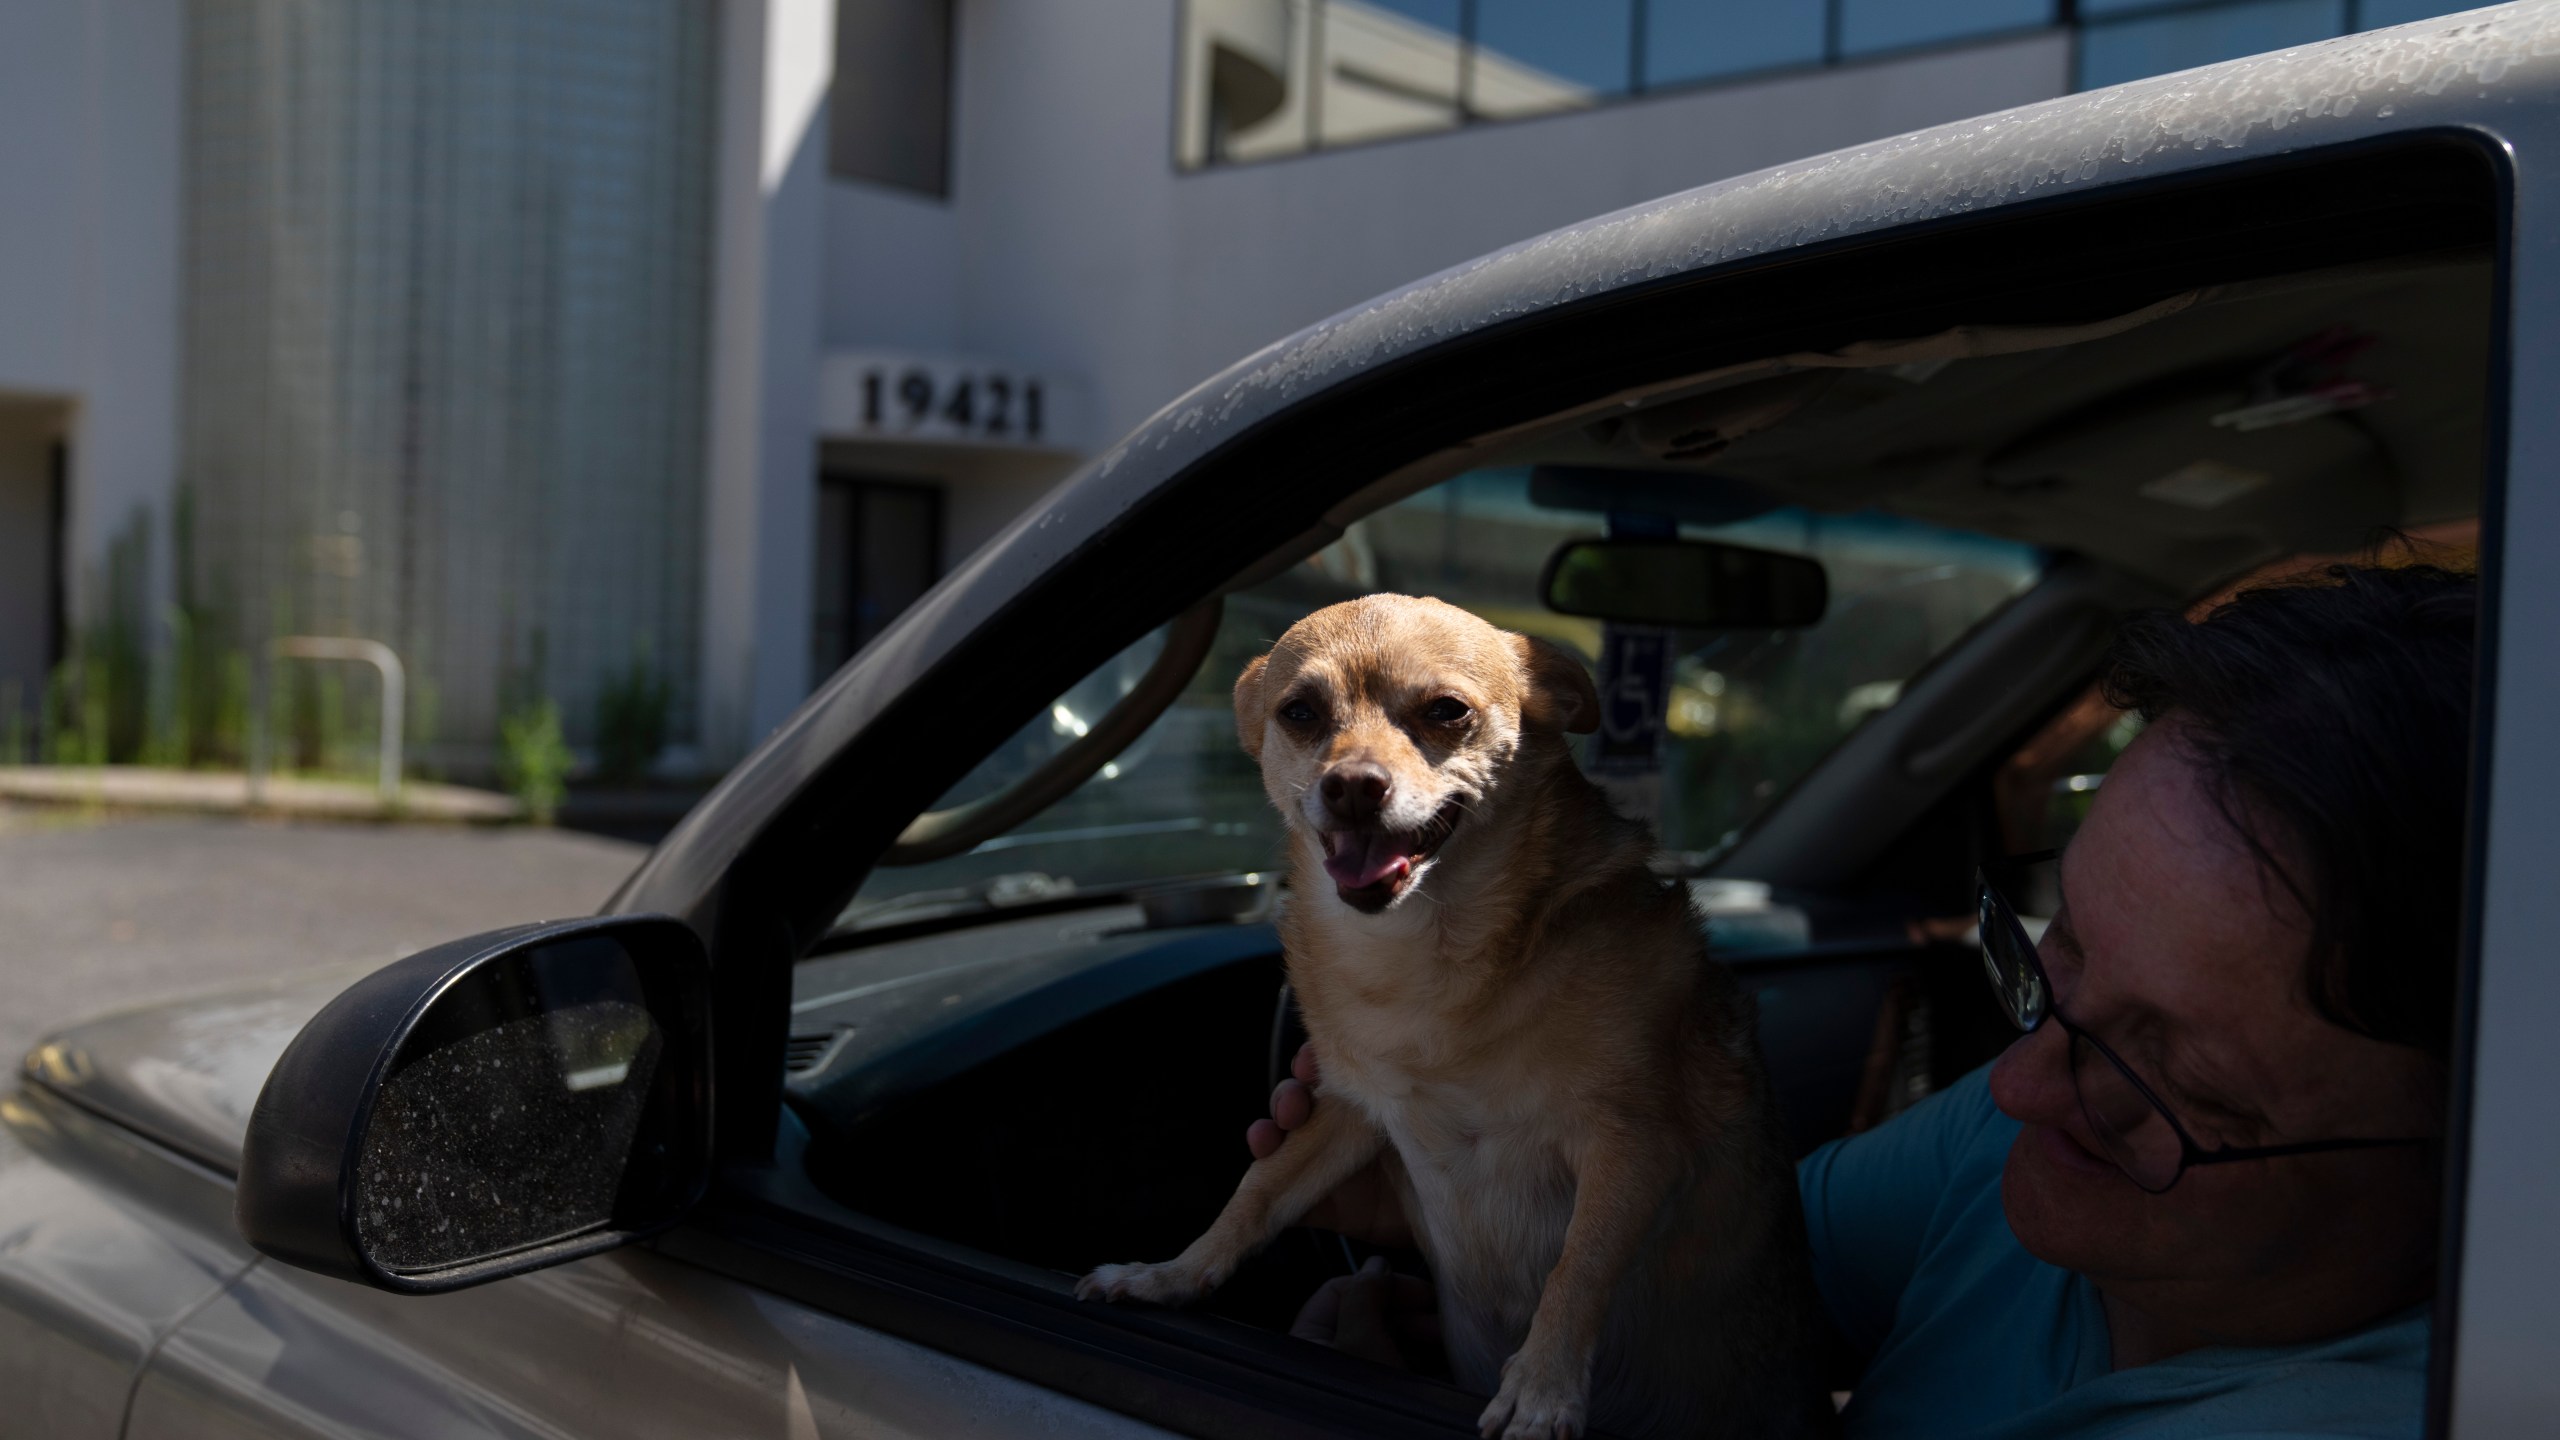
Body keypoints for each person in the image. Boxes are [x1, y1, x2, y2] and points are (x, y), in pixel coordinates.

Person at [1247, 563, 2474, 1438]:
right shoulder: (2022, 1150)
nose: (2018, 1079)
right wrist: (1464, 1199)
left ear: (2480, 1155)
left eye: (2183, 1088)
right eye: (2058, 963)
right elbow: (1736, 1273)